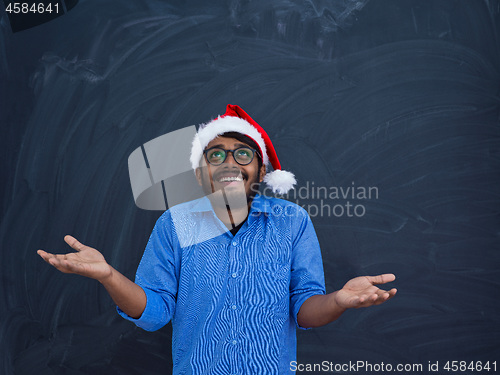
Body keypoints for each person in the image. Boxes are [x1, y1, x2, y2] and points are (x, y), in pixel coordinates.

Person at [38, 104, 397, 374]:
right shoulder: (174, 224)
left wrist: (339, 300)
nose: (229, 163)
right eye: (216, 155)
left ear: (261, 169)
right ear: (200, 173)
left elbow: (304, 311)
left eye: (243, 154)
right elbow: (154, 314)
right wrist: (108, 276)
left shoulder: (292, 222)